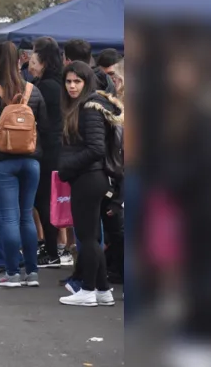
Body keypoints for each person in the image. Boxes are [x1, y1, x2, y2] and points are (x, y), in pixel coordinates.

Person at [0, 41, 49, 288]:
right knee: (26, 215)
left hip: (1, 161)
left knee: (8, 217)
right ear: (19, 61)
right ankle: (32, 272)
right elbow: (45, 127)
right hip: (31, 160)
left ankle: (12, 272)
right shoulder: (33, 91)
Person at [57, 62, 121, 307]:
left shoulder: (90, 108)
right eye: (68, 81)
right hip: (90, 178)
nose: (72, 86)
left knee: (87, 237)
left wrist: (67, 167)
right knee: (91, 236)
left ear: (86, 82)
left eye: (77, 81)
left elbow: (95, 148)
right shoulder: (86, 106)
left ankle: (88, 289)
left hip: (89, 177)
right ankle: (102, 290)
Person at [27, 36, 66, 269]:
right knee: (45, 201)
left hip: (48, 150)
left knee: (44, 200)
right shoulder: (55, 83)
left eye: (34, 58)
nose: (31, 63)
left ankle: (52, 250)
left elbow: (44, 121)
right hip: (53, 148)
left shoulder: (47, 86)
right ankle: (51, 247)